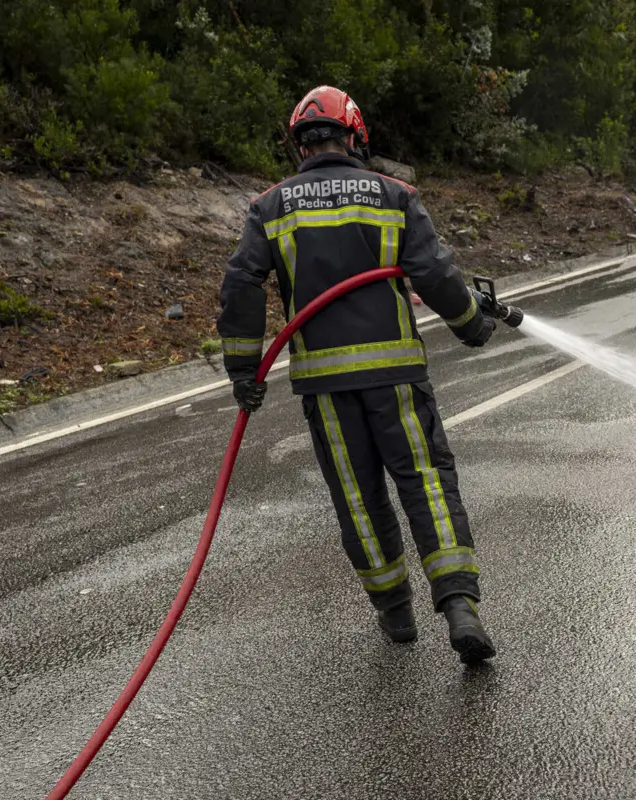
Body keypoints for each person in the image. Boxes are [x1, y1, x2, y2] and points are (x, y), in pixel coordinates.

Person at [216, 85, 499, 665]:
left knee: (358, 495)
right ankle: (459, 605)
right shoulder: (392, 193)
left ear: (300, 145)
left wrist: (245, 369)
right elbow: (433, 272)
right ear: (356, 134)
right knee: (425, 479)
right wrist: (471, 324)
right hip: (396, 376)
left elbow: (241, 283)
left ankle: (395, 611)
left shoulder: (270, 206)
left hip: (326, 385)